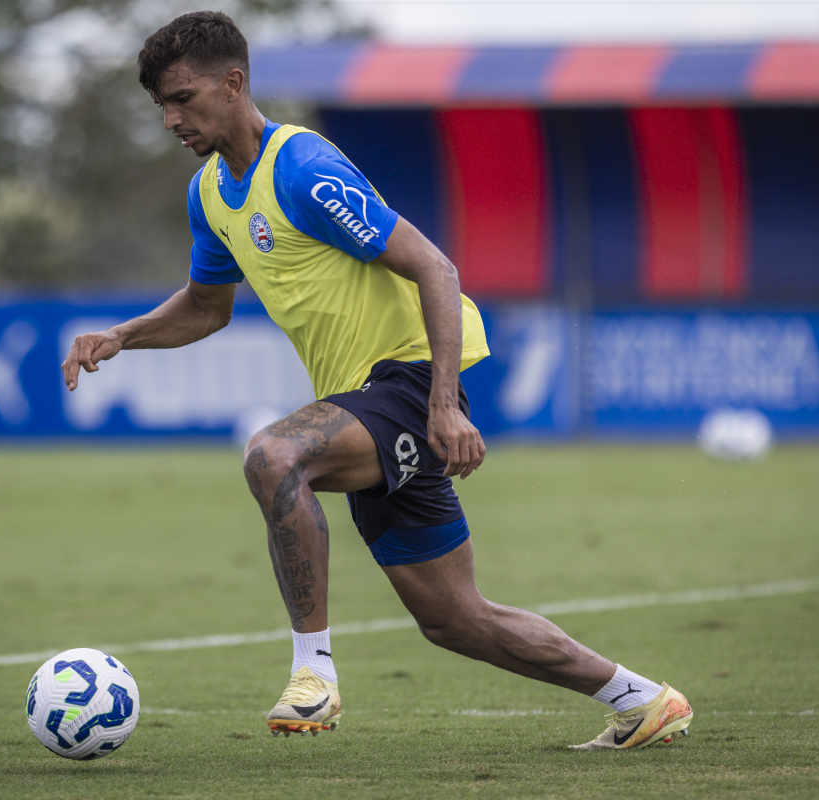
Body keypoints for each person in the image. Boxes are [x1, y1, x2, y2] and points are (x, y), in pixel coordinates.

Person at [62, 11, 692, 750]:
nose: (172, 119)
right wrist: (123, 336)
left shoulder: (299, 167)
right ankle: (643, 700)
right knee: (455, 619)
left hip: (409, 379)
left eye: (184, 98)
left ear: (233, 84)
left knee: (273, 455)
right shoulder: (209, 195)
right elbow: (207, 307)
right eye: (161, 106)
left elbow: (434, 266)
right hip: (365, 401)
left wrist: (444, 405)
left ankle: (312, 673)